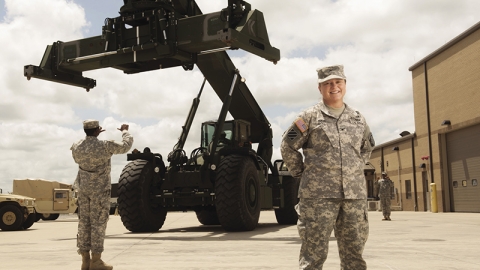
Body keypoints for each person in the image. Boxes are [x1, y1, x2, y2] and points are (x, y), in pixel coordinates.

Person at [280, 65, 375, 270]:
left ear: (345, 85)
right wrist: (302, 173)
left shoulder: (358, 118)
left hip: (354, 197)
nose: (334, 87)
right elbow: (288, 146)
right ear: (320, 88)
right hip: (317, 198)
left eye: (338, 82)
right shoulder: (308, 117)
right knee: (312, 258)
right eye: (328, 83)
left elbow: (367, 147)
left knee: (355, 258)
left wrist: (355, 170)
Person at [71, 120, 133, 270]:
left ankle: (85, 260)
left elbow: (76, 159)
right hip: (100, 190)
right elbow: (126, 146)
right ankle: (96, 261)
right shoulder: (104, 145)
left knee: (84, 223)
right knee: (98, 223)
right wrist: (124, 131)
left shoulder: (76, 146)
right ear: (98, 130)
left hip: (83, 189)